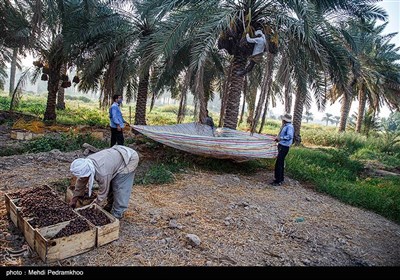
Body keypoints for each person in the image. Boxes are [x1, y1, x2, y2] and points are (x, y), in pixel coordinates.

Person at [69, 145, 139, 219]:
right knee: (112, 184)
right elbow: (81, 181)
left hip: (128, 159)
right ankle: (110, 204)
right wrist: (74, 199)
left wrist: (95, 206)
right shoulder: (87, 163)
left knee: (119, 187)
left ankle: (117, 213)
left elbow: (103, 192)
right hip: (115, 156)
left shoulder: (102, 173)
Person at [272, 113, 294, 186]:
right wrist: (278, 139)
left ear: (284, 120)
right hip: (281, 145)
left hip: (284, 146)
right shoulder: (285, 126)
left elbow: (290, 136)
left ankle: (278, 181)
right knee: (280, 162)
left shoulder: (289, 127)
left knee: (279, 163)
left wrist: (280, 138)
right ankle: (280, 178)